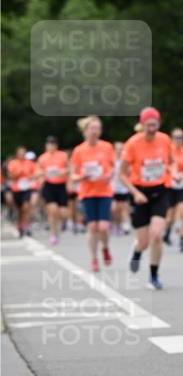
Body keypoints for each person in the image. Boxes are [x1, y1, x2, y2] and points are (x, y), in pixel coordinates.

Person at [120, 107, 174, 290]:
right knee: (143, 242)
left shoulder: (165, 140)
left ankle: (153, 275)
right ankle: (136, 251)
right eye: (148, 123)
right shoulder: (132, 144)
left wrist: (173, 173)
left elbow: (172, 161)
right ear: (142, 124)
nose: (152, 126)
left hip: (160, 191)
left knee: (157, 235)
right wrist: (135, 193)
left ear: (158, 123)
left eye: (155, 123)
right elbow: (121, 175)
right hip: (140, 194)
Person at [69, 116, 115, 272]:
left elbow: (113, 167)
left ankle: (106, 247)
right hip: (87, 193)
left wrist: (109, 175)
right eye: (92, 128)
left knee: (102, 227)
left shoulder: (107, 147)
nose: (95, 131)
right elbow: (73, 176)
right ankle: (94, 259)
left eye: (97, 128)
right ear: (85, 131)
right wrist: (81, 176)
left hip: (104, 192)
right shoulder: (78, 151)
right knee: (92, 227)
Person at [37, 136, 69, 244]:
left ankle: (63, 222)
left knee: (63, 212)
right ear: (46, 145)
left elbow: (70, 168)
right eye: (49, 144)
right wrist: (43, 174)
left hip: (61, 185)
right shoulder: (42, 158)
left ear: (56, 145)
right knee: (52, 210)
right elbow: (37, 172)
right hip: (49, 185)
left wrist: (62, 172)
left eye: (53, 144)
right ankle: (53, 234)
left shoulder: (63, 155)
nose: (51, 146)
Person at [164, 128, 183, 253]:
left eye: (180, 137)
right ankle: (167, 233)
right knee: (170, 216)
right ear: (172, 138)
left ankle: (182, 240)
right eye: (176, 137)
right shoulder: (168, 151)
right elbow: (166, 165)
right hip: (170, 186)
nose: (178, 140)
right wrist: (173, 173)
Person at [6, 146, 37, 237]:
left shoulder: (30, 163)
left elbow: (37, 172)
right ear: (17, 154)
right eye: (20, 153)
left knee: (26, 206)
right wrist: (18, 173)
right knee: (19, 210)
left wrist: (32, 176)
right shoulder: (13, 163)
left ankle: (26, 226)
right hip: (16, 189)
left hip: (27, 188)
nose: (22, 155)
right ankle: (20, 225)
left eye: (23, 153)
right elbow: (10, 176)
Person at [111, 141, 131, 236]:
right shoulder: (111, 161)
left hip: (124, 188)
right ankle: (116, 224)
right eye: (117, 149)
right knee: (114, 208)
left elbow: (130, 173)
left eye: (121, 149)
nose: (119, 151)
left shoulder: (125, 161)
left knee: (124, 208)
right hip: (113, 188)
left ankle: (125, 225)